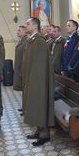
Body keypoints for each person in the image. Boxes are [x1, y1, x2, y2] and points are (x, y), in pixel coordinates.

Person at [22, 17, 54, 146]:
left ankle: (44, 133)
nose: (25, 26)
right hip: (32, 78)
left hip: (38, 80)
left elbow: (40, 65)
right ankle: (39, 129)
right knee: (35, 104)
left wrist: (36, 81)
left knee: (40, 103)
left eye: (27, 23)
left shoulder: (39, 41)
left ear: (35, 26)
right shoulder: (32, 40)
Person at [13, 26, 28, 91]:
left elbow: (25, 57)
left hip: (22, 70)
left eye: (19, 30)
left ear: (25, 32)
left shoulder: (26, 41)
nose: (17, 32)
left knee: (24, 88)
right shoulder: (22, 41)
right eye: (17, 30)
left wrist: (22, 70)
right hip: (19, 69)